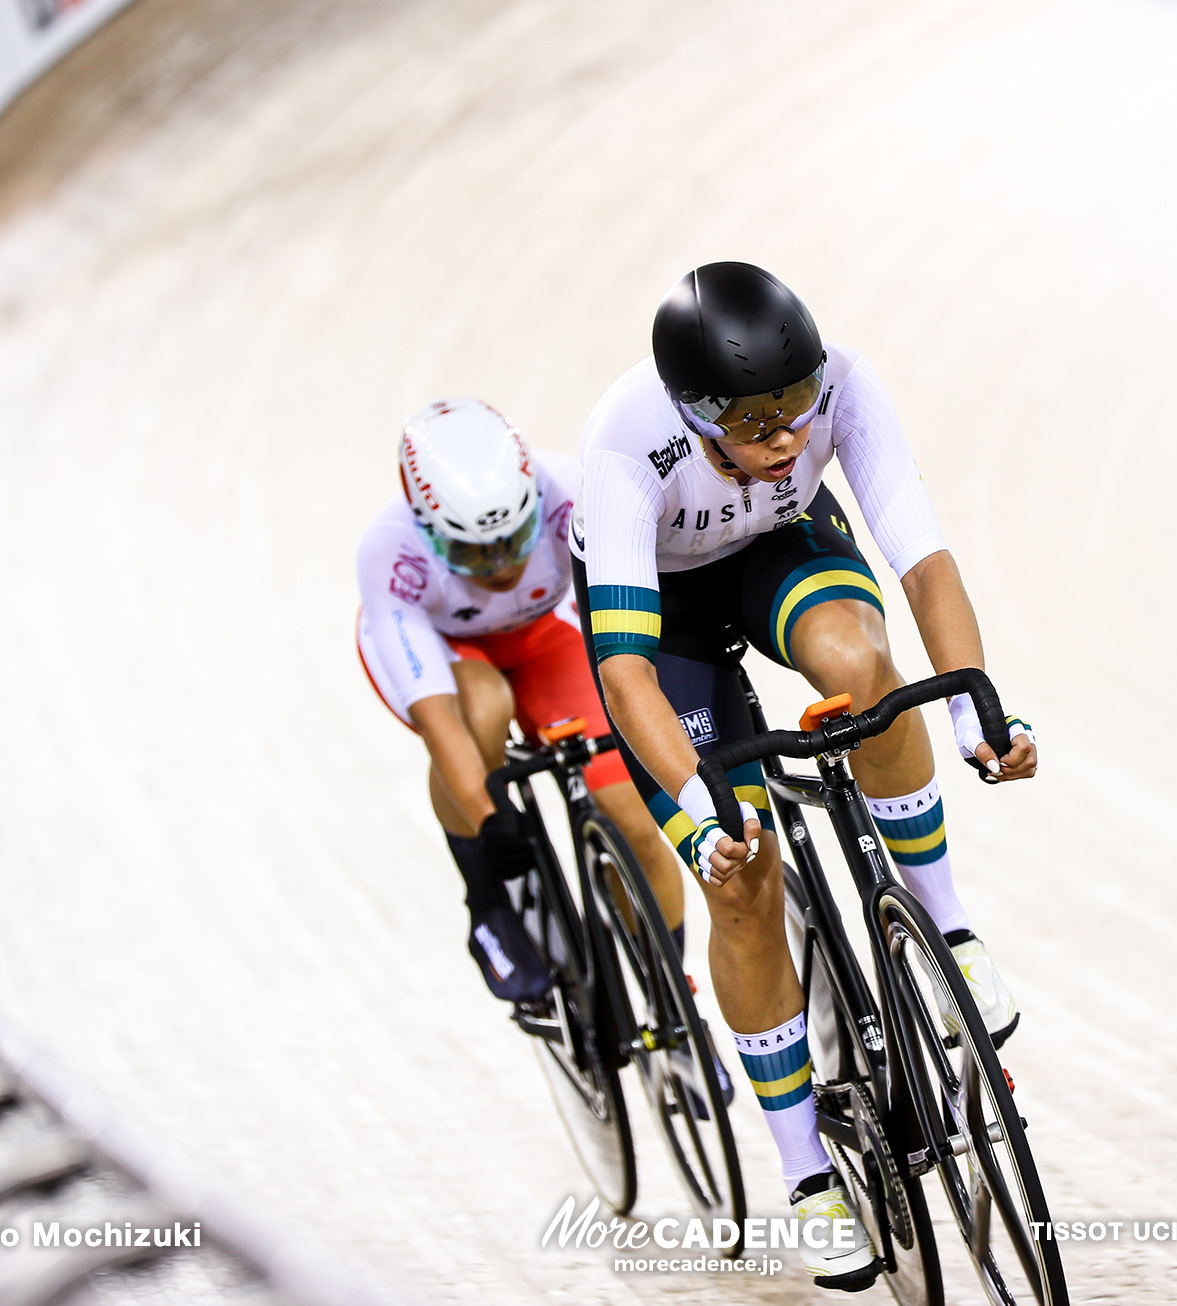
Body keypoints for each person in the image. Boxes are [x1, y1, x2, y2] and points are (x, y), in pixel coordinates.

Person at [571, 263, 1037, 1291]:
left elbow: (920, 558)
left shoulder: (844, 387)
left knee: (865, 668)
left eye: (799, 405)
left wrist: (972, 707)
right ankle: (807, 1174)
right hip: (665, 621)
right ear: (695, 416)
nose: (790, 435)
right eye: (757, 420)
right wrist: (699, 817)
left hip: (778, 546)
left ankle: (946, 924)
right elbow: (625, 669)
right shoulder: (621, 444)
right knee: (741, 879)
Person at [354, 397, 697, 1022]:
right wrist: (488, 820)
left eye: (513, 541)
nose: (503, 566)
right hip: (442, 648)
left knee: (635, 819)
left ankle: (672, 997)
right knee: (481, 705)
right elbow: (439, 720)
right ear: (428, 532)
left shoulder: (569, 487)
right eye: (475, 554)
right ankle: (485, 900)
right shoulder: (390, 554)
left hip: (543, 637)